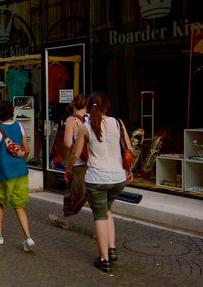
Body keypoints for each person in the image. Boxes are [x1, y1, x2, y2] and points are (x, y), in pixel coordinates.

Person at [76, 91, 133, 273]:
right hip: (117, 178)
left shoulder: (85, 127)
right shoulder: (117, 123)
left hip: (97, 179)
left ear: (87, 107)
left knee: (100, 215)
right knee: (108, 210)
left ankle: (104, 258)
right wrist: (128, 171)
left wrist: (69, 169)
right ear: (106, 106)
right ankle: (112, 248)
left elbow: (76, 155)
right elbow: (129, 149)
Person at [0, 99, 36, 253]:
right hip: (21, 172)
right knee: (19, 205)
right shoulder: (20, 126)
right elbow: (26, 150)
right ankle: (28, 237)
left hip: (4, 173)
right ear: (12, 113)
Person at [49, 93, 88, 229]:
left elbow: (67, 143)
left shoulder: (72, 120)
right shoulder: (91, 118)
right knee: (94, 197)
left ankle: (64, 218)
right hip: (94, 161)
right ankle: (101, 230)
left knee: (74, 192)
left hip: (79, 161)